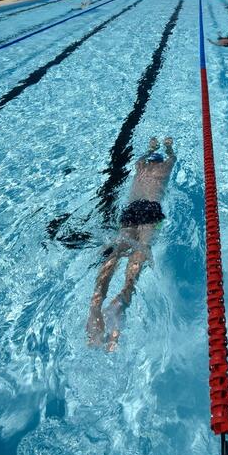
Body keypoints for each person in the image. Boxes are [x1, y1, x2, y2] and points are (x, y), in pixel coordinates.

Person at [87, 136, 176, 350]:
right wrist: (168, 146)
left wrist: (151, 147)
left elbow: (141, 158)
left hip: (130, 211)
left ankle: (96, 302)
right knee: (142, 251)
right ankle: (124, 296)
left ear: (147, 163)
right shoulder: (165, 168)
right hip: (152, 211)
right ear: (159, 162)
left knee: (117, 250)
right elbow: (173, 157)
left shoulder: (139, 168)